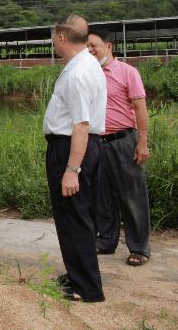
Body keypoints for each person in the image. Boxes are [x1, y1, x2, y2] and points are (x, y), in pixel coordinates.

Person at [43, 15, 107, 302]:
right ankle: (77, 274)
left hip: (72, 148)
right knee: (75, 215)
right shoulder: (87, 63)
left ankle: (87, 288)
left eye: (53, 36)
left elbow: (81, 124)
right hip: (80, 146)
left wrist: (71, 169)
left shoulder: (79, 72)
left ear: (61, 37)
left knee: (74, 217)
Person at [87, 28, 151, 266]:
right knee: (101, 196)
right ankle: (106, 241)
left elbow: (140, 109)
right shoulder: (89, 74)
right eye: (87, 47)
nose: (90, 51)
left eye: (94, 46)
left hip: (123, 141)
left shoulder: (127, 72)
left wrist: (142, 143)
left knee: (132, 196)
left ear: (108, 46)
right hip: (97, 142)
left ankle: (139, 248)